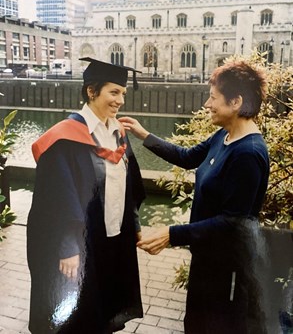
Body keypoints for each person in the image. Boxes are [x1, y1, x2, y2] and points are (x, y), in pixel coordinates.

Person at [120, 60, 270, 334]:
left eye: (213, 98)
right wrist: (144, 135)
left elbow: (233, 223)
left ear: (236, 102)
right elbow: (188, 158)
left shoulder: (248, 153)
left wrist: (172, 234)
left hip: (228, 272)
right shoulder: (224, 136)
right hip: (207, 260)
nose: (207, 105)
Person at [27, 58, 145, 334]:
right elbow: (56, 199)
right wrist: (68, 246)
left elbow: (130, 184)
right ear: (92, 92)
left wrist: (135, 224)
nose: (120, 100)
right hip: (81, 244)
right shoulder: (64, 139)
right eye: (113, 92)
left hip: (113, 238)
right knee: (77, 311)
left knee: (104, 302)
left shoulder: (117, 133)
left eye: (123, 94)